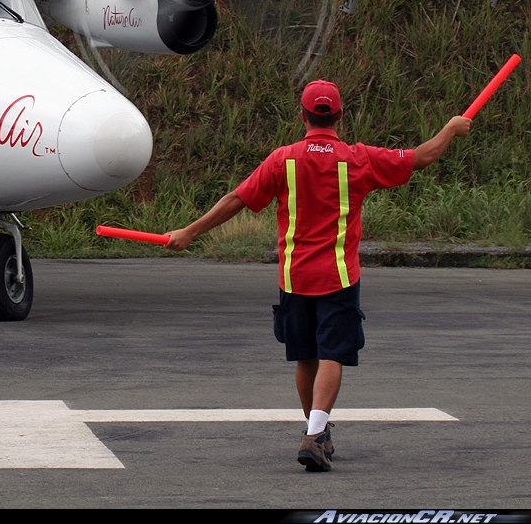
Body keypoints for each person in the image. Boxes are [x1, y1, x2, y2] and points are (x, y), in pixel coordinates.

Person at [164, 79, 471, 472]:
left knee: (305, 357)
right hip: (339, 275)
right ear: (340, 115)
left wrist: (190, 231)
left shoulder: (283, 159)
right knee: (333, 354)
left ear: (303, 115)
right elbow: (420, 157)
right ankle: (315, 433)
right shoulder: (358, 158)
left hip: (294, 276)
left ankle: (316, 431)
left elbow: (236, 199)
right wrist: (450, 128)